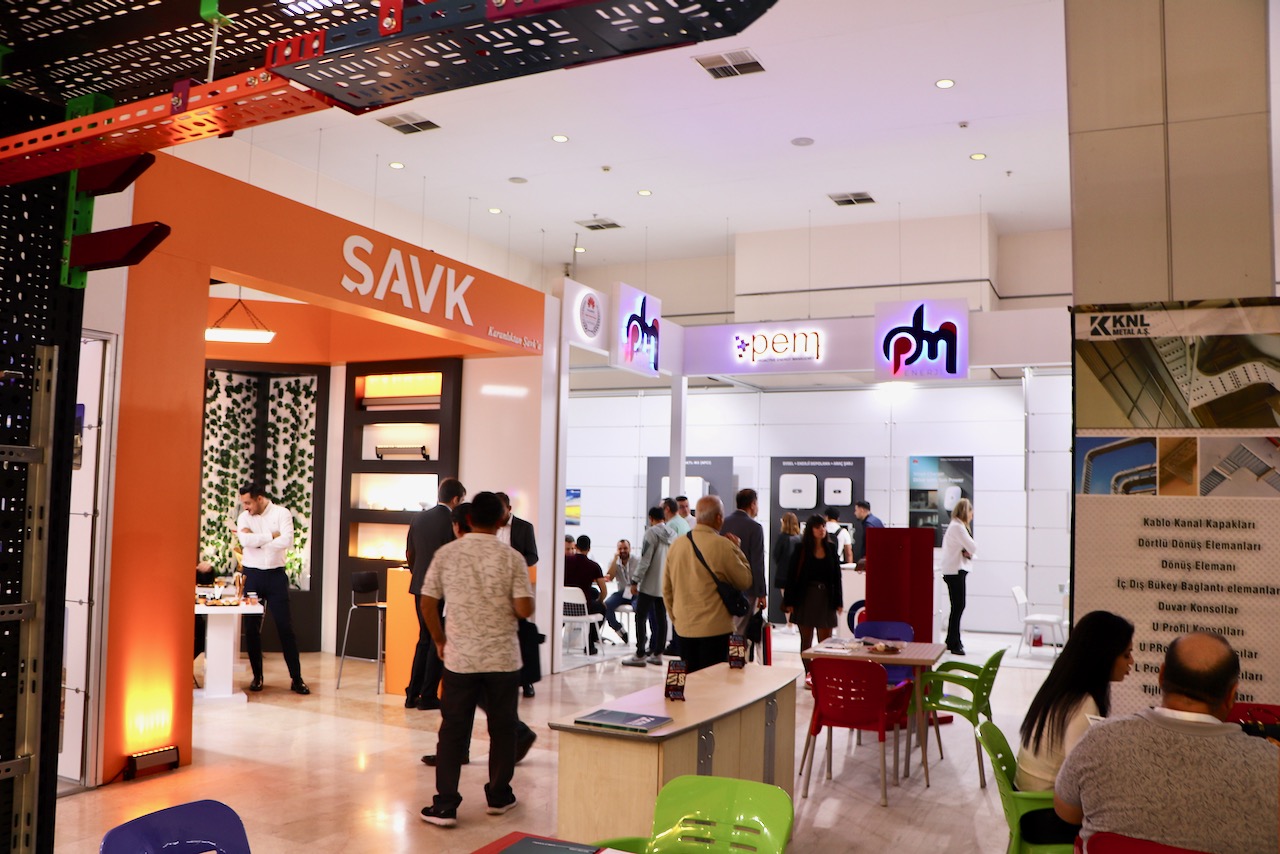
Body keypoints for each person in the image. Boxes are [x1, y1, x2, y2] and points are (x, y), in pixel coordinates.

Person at [1055, 632, 1279, 853]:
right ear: (1232, 695)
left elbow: (1067, 812)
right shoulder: (1271, 766)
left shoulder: (1100, 739)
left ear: (1161, 676)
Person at [419, 492, 535, 828]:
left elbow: (427, 603)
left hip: (460, 659)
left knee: (452, 731)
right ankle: (499, 796)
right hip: (503, 659)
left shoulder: (447, 554)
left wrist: (440, 640)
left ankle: (445, 805)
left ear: (468, 520)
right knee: (503, 729)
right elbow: (524, 609)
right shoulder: (512, 558)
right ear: (502, 520)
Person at [1012, 611, 1134, 843]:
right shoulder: (1083, 703)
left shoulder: (1063, 688)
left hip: (1027, 806)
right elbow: (1080, 777)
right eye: (1126, 655)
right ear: (1104, 656)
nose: (1132, 662)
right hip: (1044, 817)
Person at [231, 483, 309, 695]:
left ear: (259, 498)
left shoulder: (282, 513)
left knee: (285, 627)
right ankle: (257, 677)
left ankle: (296, 678)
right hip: (252, 575)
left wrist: (257, 540)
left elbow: (287, 540)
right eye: (243, 503)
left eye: (248, 502)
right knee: (251, 628)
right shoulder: (244, 517)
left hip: (275, 576)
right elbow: (245, 540)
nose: (245, 507)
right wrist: (271, 536)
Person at [662, 495, 752, 673]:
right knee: (714, 682)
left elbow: (667, 589)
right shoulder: (724, 545)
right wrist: (737, 549)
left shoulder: (677, 545)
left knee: (690, 680)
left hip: (684, 628)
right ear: (719, 518)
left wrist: (677, 619)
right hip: (716, 629)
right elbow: (745, 580)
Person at [405, 478, 466, 709]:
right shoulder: (453, 522)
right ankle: (428, 696)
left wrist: (418, 574)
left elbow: (409, 552)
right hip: (441, 589)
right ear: (456, 499)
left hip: (419, 586)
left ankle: (412, 694)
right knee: (436, 640)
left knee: (424, 639)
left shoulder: (419, 518)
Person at [783, 514, 843, 683]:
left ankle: (823, 675)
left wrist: (838, 601)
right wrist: (789, 601)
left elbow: (836, 577)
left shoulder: (831, 548)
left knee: (826, 641)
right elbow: (791, 576)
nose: (821, 530)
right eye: (817, 527)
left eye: (823, 526)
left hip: (825, 598)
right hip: (805, 597)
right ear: (810, 530)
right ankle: (810, 674)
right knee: (806, 641)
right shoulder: (801, 549)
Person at [495, 492, 540, 699]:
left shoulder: (524, 527)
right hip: (495, 588)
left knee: (521, 632)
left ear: (509, 509)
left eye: (501, 510)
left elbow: (533, 555)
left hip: (516, 587)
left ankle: (526, 681)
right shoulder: (489, 526)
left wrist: (515, 564)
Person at [622, 507, 676, 667]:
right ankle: (658, 653)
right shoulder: (673, 535)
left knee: (640, 616)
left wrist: (635, 580)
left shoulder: (650, 533)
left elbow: (645, 560)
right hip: (665, 583)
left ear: (651, 518)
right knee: (661, 618)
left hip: (649, 584)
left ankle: (640, 654)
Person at [720, 488, 766, 639]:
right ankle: (736, 654)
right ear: (752, 504)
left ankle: (726, 653)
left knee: (725, 628)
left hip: (723, 586)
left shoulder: (723, 523)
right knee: (740, 631)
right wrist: (761, 593)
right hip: (747, 588)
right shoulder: (755, 528)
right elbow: (757, 562)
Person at [939, 498, 976, 655]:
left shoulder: (955, 526)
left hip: (953, 571)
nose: (972, 516)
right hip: (955, 572)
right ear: (966, 512)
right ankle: (954, 643)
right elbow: (973, 547)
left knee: (957, 607)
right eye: (971, 513)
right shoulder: (958, 527)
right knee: (958, 606)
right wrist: (967, 550)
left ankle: (951, 640)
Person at [563, 535, 608, 655]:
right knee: (601, 607)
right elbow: (604, 591)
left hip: (563, 607)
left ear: (576, 546)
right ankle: (590, 642)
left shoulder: (563, 562)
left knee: (593, 592)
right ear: (589, 549)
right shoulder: (594, 566)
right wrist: (600, 601)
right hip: (584, 609)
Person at [603, 539, 635, 645]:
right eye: (620, 549)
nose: (623, 551)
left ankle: (642, 635)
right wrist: (615, 559)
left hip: (636, 592)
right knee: (606, 605)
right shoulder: (614, 562)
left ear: (630, 549)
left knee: (640, 608)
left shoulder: (637, 561)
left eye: (625, 548)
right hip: (622, 592)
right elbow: (609, 577)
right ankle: (619, 629)